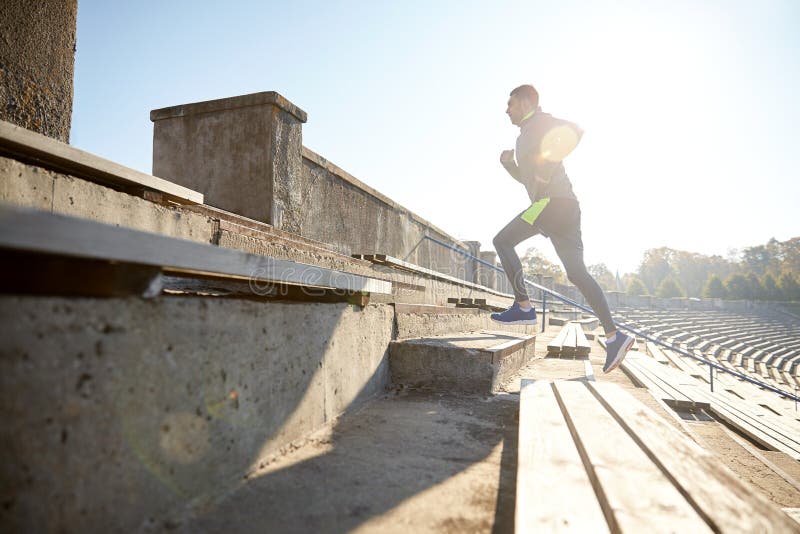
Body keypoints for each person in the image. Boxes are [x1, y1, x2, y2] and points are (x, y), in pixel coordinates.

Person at [490, 84, 633, 373]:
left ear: (527, 102)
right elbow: (531, 181)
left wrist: (547, 164)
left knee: (502, 241)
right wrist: (510, 167)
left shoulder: (542, 121)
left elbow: (577, 130)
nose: (507, 110)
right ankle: (615, 336)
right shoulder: (525, 136)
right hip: (564, 206)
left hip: (550, 204)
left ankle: (524, 306)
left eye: (512, 104)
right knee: (576, 273)